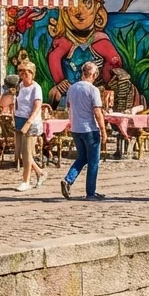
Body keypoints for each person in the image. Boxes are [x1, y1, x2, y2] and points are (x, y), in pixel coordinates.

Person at [60, 61, 108, 201]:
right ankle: (90, 192)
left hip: (76, 128)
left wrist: (71, 121)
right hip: (90, 129)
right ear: (93, 74)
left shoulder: (72, 88)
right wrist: (103, 130)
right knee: (93, 161)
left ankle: (68, 180)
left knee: (82, 158)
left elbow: (68, 106)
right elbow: (97, 112)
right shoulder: (93, 90)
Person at [12, 61, 46, 192]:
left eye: (27, 71)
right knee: (20, 153)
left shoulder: (36, 88)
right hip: (19, 119)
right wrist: (13, 115)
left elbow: (37, 106)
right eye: (21, 71)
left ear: (32, 73)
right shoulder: (20, 86)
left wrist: (28, 122)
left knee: (27, 153)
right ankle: (40, 173)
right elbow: (17, 102)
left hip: (30, 122)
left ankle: (26, 181)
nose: (24, 74)